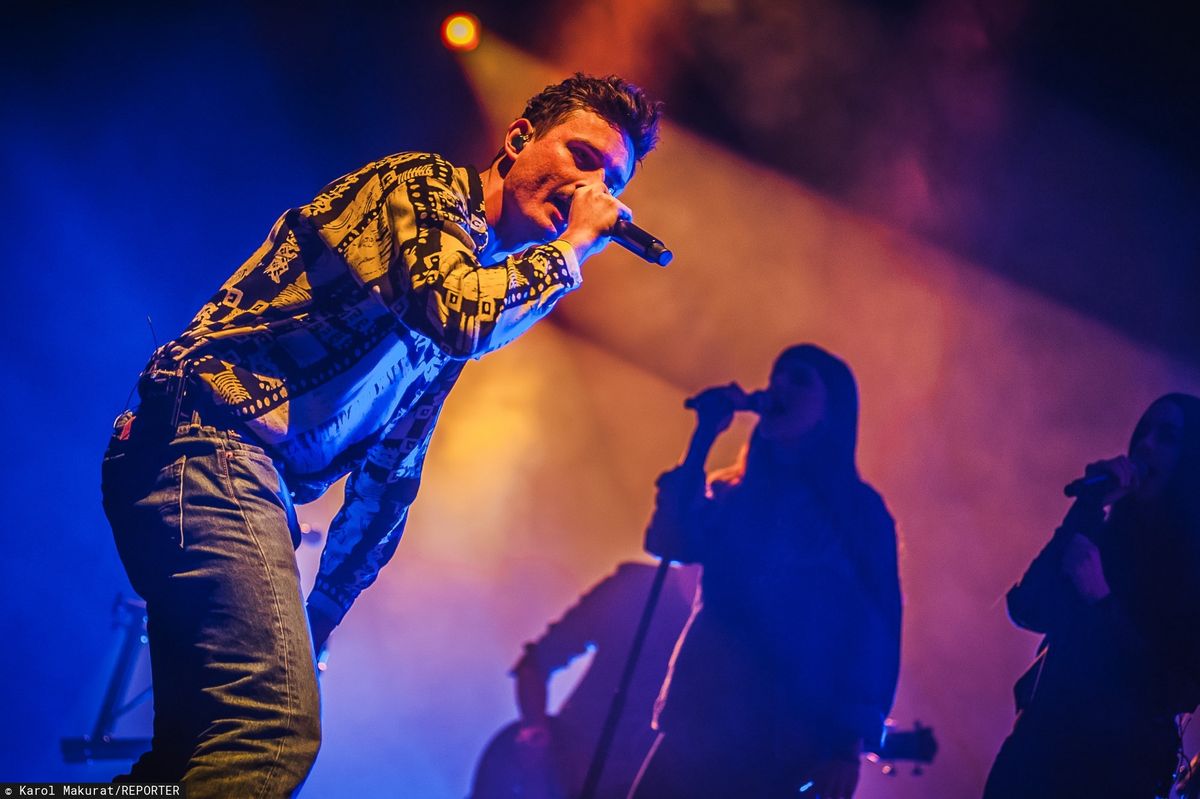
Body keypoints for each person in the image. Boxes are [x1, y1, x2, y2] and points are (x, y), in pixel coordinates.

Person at [99, 73, 662, 798]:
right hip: (205, 441)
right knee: (270, 732)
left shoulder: (477, 276)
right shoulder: (422, 190)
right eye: (583, 158)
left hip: (226, 468)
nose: (594, 191)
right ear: (519, 137)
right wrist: (572, 250)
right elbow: (458, 312)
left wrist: (322, 612)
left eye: (612, 181)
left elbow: (392, 472)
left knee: (189, 761)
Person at [630, 344, 902, 799]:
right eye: (776, 375)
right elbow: (669, 542)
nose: (778, 387)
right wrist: (701, 440)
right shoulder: (735, 493)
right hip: (699, 718)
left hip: (788, 737)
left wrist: (846, 745)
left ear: (830, 409)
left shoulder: (859, 514)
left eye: (799, 379)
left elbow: (875, 630)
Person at [984, 393, 1200, 799]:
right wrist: (1086, 508)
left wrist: (1102, 603)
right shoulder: (1106, 535)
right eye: (1144, 432)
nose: (1146, 445)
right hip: (1035, 756)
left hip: (1114, 772)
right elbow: (1029, 607)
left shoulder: (1193, 572)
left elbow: (1179, 690)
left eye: (1167, 436)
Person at [469, 561, 700, 799]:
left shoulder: (725, 632)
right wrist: (534, 729)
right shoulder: (635, 588)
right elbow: (535, 663)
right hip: (563, 762)